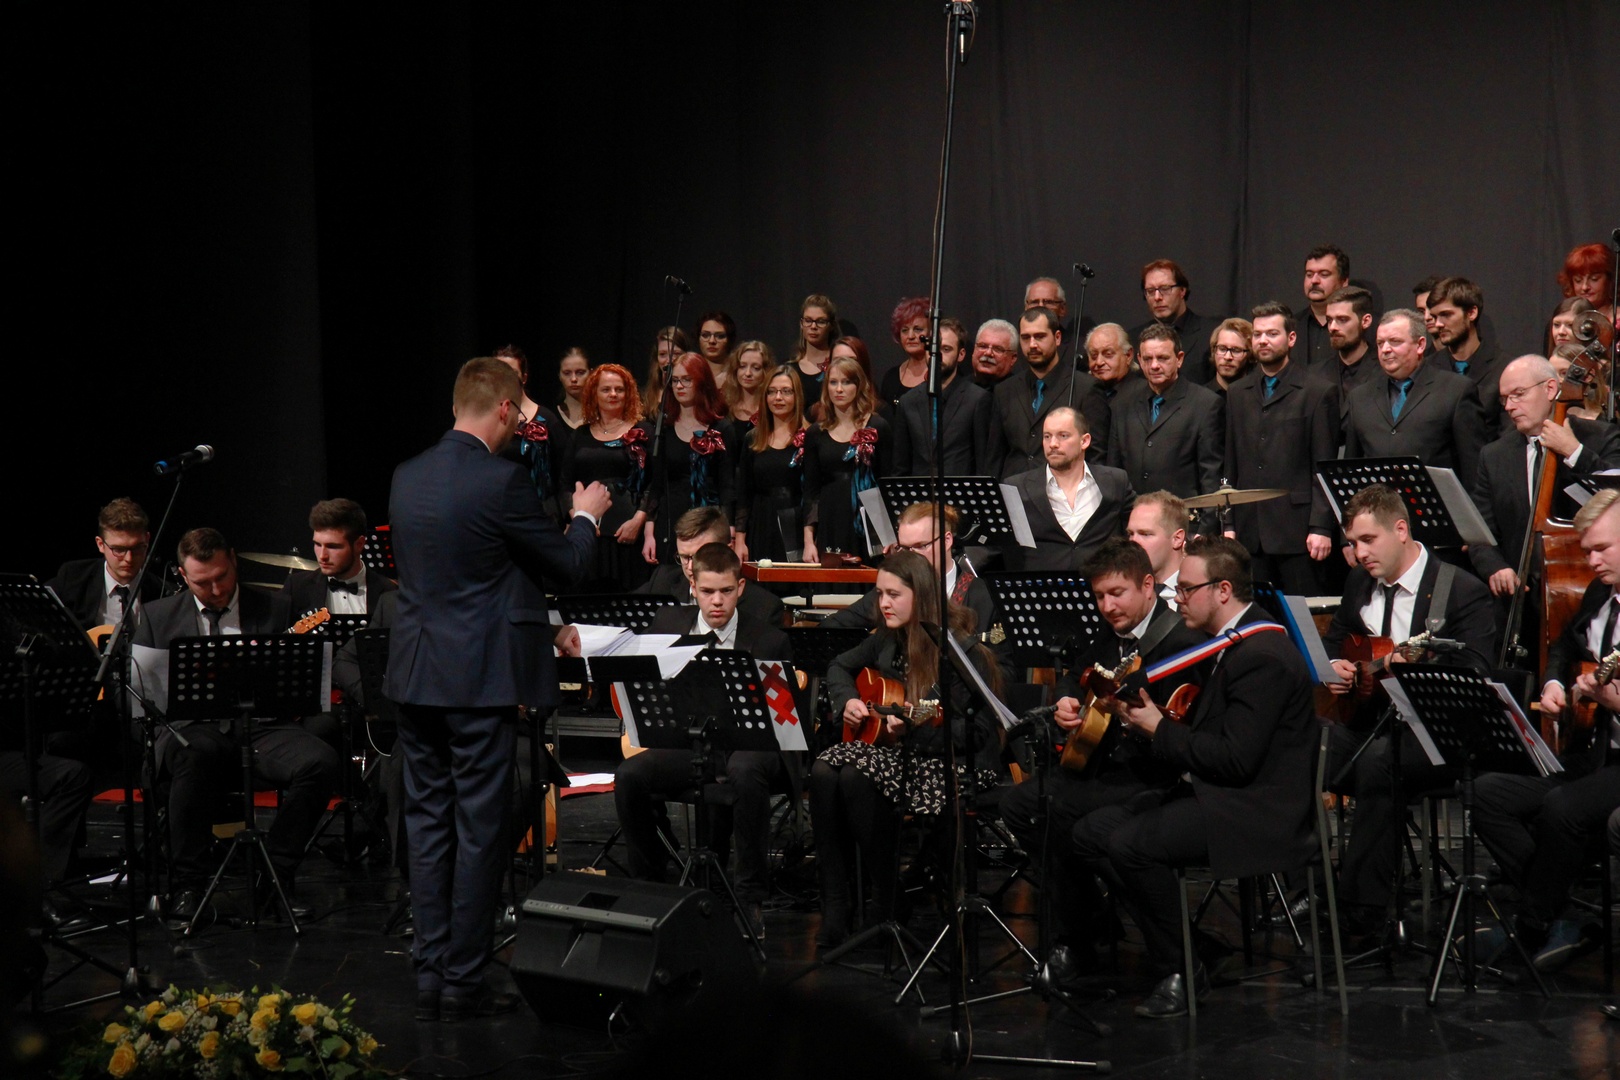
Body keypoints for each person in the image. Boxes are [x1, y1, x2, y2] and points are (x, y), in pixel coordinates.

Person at [385, 356, 611, 1022]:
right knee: (481, 830)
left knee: (427, 827)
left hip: (417, 674)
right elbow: (567, 564)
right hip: (478, 681)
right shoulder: (502, 482)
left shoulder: (406, 476)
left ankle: (432, 971)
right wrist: (586, 516)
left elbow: (465, 569)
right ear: (507, 409)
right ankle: (462, 980)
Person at [1073, 536, 1317, 1018]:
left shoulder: (1262, 653)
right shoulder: (1228, 645)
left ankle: (1181, 969)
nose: (1176, 598)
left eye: (1185, 589)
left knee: (1130, 844)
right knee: (1089, 834)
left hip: (1255, 808)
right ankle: (1197, 950)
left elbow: (1236, 760)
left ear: (1222, 590)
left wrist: (1159, 728)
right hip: (1219, 792)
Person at [998, 539, 1207, 977]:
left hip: (1153, 775)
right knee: (1019, 804)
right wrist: (1066, 705)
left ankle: (1077, 936)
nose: (1107, 605)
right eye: (1099, 597)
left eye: (1117, 593)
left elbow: (1185, 727)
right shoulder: (1106, 638)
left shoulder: (1180, 640)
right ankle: (1090, 918)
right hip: (1102, 769)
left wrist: (1138, 722)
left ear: (1148, 586)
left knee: (1052, 810)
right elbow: (1078, 680)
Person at [133, 527, 340, 928]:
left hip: (261, 726)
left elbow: (301, 688)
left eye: (222, 577)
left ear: (233, 561)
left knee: (321, 761)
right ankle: (189, 884)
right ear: (182, 574)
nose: (215, 589)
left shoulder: (275, 608)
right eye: (202, 582)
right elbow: (146, 697)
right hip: (193, 728)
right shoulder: (158, 616)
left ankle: (275, 874)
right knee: (197, 754)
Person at [1320, 485, 1497, 933]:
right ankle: (1310, 889)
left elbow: (1475, 674)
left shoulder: (1462, 591)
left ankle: (1364, 914)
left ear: (1400, 530)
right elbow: (1334, 639)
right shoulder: (1359, 582)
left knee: (1382, 763)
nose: (1358, 554)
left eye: (1367, 541)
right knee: (1306, 746)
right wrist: (1335, 664)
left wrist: (1416, 669)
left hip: (1438, 735)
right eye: (1352, 543)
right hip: (1371, 720)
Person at [810, 551, 1005, 946]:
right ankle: (837, 900)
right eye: (879, 594)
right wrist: (847, 700)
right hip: (900, 755)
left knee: (851, 774)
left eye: (893, 595)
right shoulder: (887, 637)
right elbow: (837, 667)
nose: (883, 603)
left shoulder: (961, 651)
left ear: (923, 597)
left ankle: (887, 896)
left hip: (953, 765)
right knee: (823, 770)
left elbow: (979, 733)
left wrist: (913, 734)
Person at [1475, 489, 1620, 972]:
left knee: (1562, 808)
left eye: (1602, 548)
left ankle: (1533, 927)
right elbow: (1564, 643)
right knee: (1489, 794)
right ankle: (1558, 915)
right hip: (1596, 753)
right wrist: (1557, 681)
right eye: (1587, 550)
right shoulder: (1601, 593)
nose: (1592, 560)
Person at [615, 543, 792, 938]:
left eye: (726, 591)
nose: (717, 601)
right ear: (692, 586)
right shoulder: (665, 624)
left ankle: (750, 899)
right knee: (630, 775)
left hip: (749, 748)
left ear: (741, 588)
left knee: (745, 770)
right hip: (692, 745)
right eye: (708, 591)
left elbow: (782, 722)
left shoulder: (768, 640)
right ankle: (651, 887)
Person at [1468, 354, 1620, 597]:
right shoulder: (1494, 455)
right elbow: (1481, 532)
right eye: (1504, 399)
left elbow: (1615, 497)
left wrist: (1573, 452)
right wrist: (1495, 568)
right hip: (1521, 596)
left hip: (1585, 587)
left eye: (1518, 394)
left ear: (1550, 389)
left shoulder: (1600, 438)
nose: (1509, 406)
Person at [1222, 301, 1340, 596]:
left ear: (1290, 339)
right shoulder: (1238, 393)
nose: (1263, 340)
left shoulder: (1317, 391)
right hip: (1250, 531)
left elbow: (1323, 467)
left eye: (1272, 334)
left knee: (1305, 622)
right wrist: (1228, 521)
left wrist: (1321, 527)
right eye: (1258, 334)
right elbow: (1230, 464)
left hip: (1298, 532)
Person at [1342, 309, 1486, 490]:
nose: (1385, 349)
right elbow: (1351, 469)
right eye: (1380, 343)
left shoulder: (1456, 391)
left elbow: (1473, 469)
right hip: (1378, 512)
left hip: (1435, 509)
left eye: (1395, 342)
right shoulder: (1360, 397)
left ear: (1420, 345)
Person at [823, 501, 998, 636]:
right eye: (905, 548)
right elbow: (831, 628)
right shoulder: (892, 592)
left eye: (921, 546)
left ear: (947, 541)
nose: (912, 556)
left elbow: (1002, 671)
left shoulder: (984, 598)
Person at [559, 363, 653, 591]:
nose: (613, 394)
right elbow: (564, 484)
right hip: (590, 536)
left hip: (628, 534)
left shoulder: (643, 432)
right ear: (594, 394)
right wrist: (580, 517)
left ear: (628, 393)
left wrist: (638, 521)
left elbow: (653, 484)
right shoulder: (579, 435)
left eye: (619, 389)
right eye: (606, 389)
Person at [1105, 324, 1224, 506]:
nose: (1154, 365)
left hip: (1182, 519)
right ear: (1139, 359)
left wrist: (1205, 531)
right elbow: (1114, 470)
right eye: (1147, 358)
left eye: (1162, 358)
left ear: (1179, 359)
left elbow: (1211, 475)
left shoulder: (1205, 404)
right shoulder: (1122, 402)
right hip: (1132, 519)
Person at [1006, 407, 1135, 573]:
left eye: (1063, 436)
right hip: (1041, 589)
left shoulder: (1115, 482)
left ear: (1085, 441)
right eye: (1047, 436)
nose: (1053, 444)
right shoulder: (1017, 487)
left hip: (1100, 588)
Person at [988, 307, 1110, 478]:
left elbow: (1096, 456)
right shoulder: (1004, 390)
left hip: (1063, 494)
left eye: (1039, 336)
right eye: (1025, 338)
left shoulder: (1086, 388)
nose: (1032, 345)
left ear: (1057, 337)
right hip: (1013, 492)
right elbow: (995, 456)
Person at [644, 353, 736, 566]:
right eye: (675, 380)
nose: (679, 386)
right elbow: (656, 485)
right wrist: (649, 533)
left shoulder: (721, 429)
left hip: (707, 520)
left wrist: (730, 531)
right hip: (670, 519)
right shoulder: (663, 428)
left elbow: (727, 485)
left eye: (687, 380)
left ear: (702, 382)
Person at [803, 354, 892, 561]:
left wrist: (890, 535)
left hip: (870, 518)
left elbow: (887, 482)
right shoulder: (816, 433)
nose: (839, 389)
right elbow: (810, 492)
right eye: (833, 382)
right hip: (830, 517)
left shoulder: (877, 427)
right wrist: (809, 541)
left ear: (858, 386)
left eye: (846, 382)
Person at [640, 507, 785, 625]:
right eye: (684, 557)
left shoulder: (764, 607)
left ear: (728, 550)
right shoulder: (662, 581)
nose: (690, 567)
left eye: (700, 556)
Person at [891, 316, 991, 477]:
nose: (937, 355)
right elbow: (900, 467)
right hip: (920, 499)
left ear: (961, 354)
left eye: (946, 349)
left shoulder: (977, 400)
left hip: (960, 497)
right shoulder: (907, 402)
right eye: (933, 348)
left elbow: (983, 466)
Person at [46, 497, 165, 631]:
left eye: (137, 548)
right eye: (118, 550)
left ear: (147, 540)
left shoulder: (163, 591)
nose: (129, 559)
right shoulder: (73, 578)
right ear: (100, 544)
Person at [734, 365, 808, 565]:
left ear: (797, 396)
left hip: (795, 523)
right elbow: (743, 493)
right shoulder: (752, 439)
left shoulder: (808, 438)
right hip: (761, 521)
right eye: (772, 392)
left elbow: (812, 493)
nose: (778, 398)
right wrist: (740, 539)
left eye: (786, 392)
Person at [284, 498, 397, 618]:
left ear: (359, 544)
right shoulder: (296, 588)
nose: (322, 556)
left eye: (333, 547)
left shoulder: (389, 591)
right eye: (317, 544)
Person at [1424, 276, 1509, 435]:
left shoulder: (1505, 368)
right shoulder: (1426, 368)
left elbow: (1509, 434)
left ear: (1471, 313)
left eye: (1446, 315)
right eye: (1435, 317)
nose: (1438, 324)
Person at [1129, 258, 1215, 385]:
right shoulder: (1133, 339)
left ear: (1182, 291)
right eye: (1151, 291)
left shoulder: (1211, 334)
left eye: (1165, 288)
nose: (1157, 297)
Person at [1323, 286, 1382, 431]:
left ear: (1366, 321)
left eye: (1342, 320)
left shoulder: (1385, 372)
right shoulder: (1314, 375)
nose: (1332, 327)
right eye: (1329, 320)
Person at [1295, 245, 1352, 371]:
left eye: (1324, 274)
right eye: (1309, 274)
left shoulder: (1360, 327)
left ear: (1344, 282)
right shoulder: (1290, 325)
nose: (1314, 281)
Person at [1127, 490, 1189, 606]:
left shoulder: (1199, 592)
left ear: (1177, 539)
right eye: (1130, 534)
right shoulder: (1129, 592)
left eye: (1145, 534)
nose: (1133, 542)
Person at [878, 296, 931, 413]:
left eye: (918, 329)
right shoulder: (891, 378)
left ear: (931, 333)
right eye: (905, 330)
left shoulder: (940, 376)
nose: (910, 336)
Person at [790, 294, 839, 418]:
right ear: (801, 324)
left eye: (820, 322)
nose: (813, 327)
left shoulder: (839, 364)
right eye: (808, 320)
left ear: (831, 325)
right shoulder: (790, 370)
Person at [1558, 242, 1616, 323]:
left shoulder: (1617, 322)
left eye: (1594, 279)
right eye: (1578, 280)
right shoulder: (1562, 323)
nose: (1585, 287)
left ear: (1610, 280)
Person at [1086, 322, 1142, 402]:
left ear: (1128, 355)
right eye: (1094, 356)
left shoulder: (1142, 393)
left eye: (1108, 354)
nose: (1099, 362)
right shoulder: (1084, 394)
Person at [723, 340, 774, 427]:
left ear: (765, 371)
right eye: (742, 366)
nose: (747, 373)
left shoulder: (772, 408)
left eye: (756, 368)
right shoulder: (724, 407)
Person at [642, 326, 690, 413]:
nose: (669, 360)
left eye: (676, 354)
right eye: (663, 354)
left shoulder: (693, 393)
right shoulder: (648, 395)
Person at [1206, 318, 1253, 396]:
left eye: (1236, 350)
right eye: (1222, 349)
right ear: (1214, 350)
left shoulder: (1258, 397)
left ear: (1250, 354)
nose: (1228, 357)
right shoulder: (1198, 399)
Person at [971, 318, 1020, 388]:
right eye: (983, 346)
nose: (988, 353)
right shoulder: (958, 389)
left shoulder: (1022, 393)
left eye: (998, 349)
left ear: (1013, 358)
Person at [694, 310, 738, 388]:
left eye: (720, 336)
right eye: (705, 335)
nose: (712, 341)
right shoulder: (690, 372)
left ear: (730, 339)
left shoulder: (738, 375)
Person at [555, 347, 590, 430]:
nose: (574, 379)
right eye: (567, 373)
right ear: (559, 376)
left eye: (580, 373)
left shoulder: (602, 416)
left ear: (591, 373)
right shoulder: (550, 417)